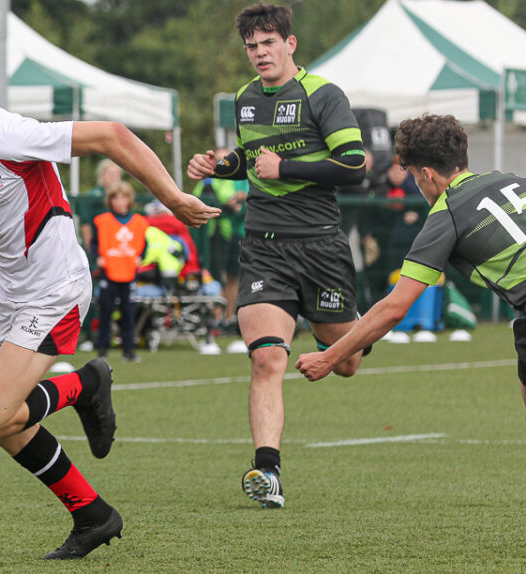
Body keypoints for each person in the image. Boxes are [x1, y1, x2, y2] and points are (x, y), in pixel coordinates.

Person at [0, 38, 217, 560]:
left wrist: (174, 199)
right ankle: (92, 515)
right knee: (1, 420)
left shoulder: (0, 131)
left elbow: (112, 135)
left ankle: (84, 384)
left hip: (55, 287)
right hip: (4, 290)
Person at [187, 2, 368, 509]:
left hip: (321, 246)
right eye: (251, 46)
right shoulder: (245, 98)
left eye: (268, 43)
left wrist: (285, 167)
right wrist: (222, 164)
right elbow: (250, 158)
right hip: (264, 246)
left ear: (290, 44)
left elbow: (354, 165)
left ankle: (357, 331)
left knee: (347, 362)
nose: (259, 53)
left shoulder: (323, 94)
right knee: (268, 358)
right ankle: (268, 472)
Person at [297, 114, 526, 412]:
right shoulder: (513, 181)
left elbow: (394, 309)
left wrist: (329, 357)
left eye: (415, 177)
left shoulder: (447, 214)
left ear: (427, 175)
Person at [90, 182, 148, 362]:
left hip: (129, 272)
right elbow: (94, 244)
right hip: (109, 272)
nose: (120, 201)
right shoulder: (102, 220)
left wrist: (141, 257)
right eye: (116, 197)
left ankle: (129, 350)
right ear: (110, 200)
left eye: (124, 197)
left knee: (128, 313)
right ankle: (102, 349)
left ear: (129, 200)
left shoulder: (139, 222)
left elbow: (144, 245)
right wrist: (97, 257)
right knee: (105, 311)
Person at [198, 147, 248, 323]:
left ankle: (228, 317)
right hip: (214, 236)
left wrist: (236, 201)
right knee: (215, 276)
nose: (223, 163)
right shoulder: (209, 179)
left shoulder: (239, 177)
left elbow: (237, 202)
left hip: (235, 235)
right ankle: (216, 318)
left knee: (233, 277)